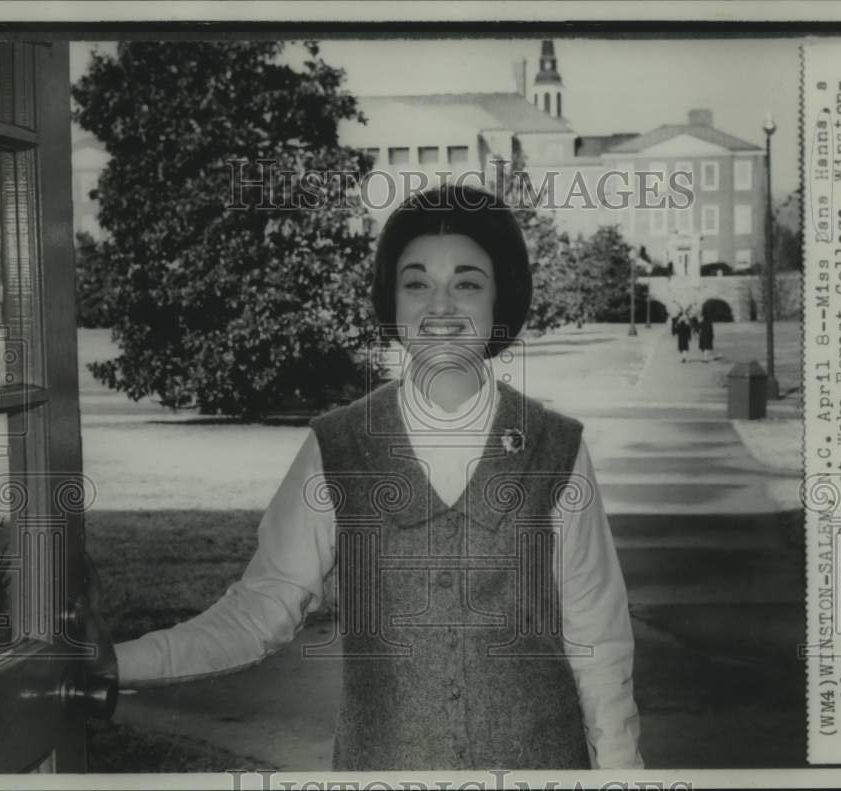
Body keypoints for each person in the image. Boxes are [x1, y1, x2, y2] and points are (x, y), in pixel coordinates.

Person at [113, 184, 643, 772]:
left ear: (502, 298)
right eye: (417, 283)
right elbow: (260, 611)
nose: (440, 306)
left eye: (467, 283)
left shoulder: (556, 447)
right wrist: (119, 662)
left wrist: (622, 773)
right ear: (392, 301)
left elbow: (599, 642)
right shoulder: (335, 448)